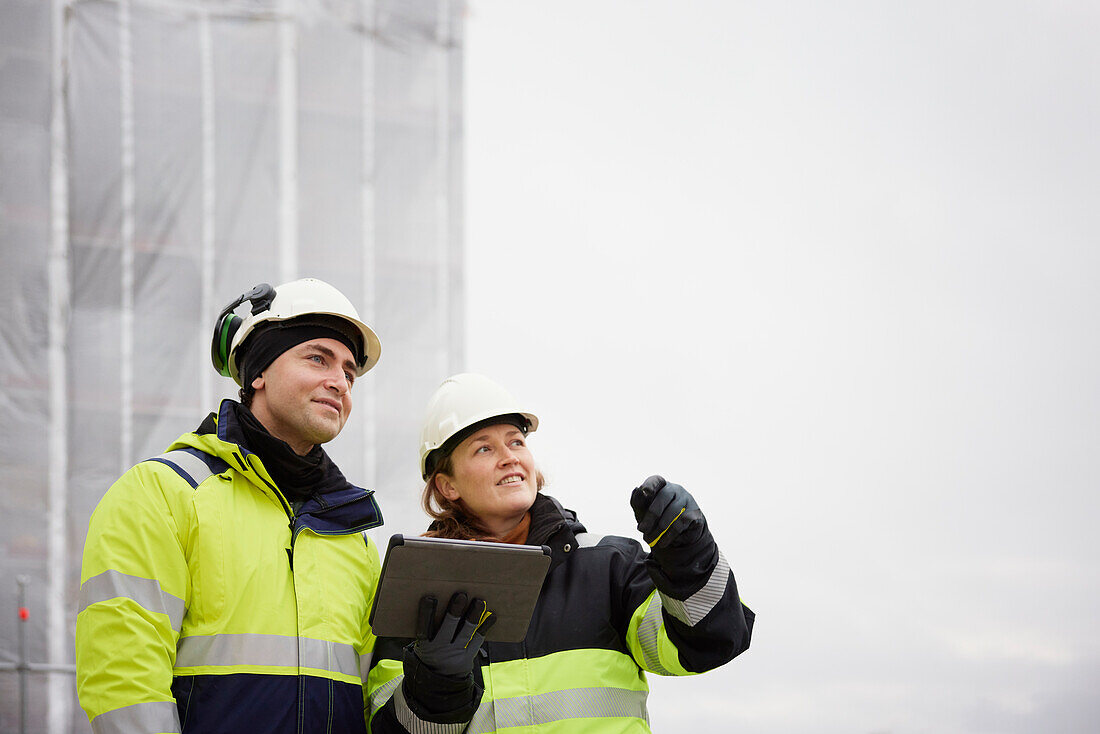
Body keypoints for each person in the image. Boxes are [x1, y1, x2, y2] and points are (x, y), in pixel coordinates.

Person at [76, 278, 386, 734]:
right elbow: (124, 682)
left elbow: (371, 695)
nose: (338, 381)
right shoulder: (162, 492)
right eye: (318, 358)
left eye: (348, 372)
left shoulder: (352, 535)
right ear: (257, 372)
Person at [366, 373, 754, 733]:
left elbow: (707, 645)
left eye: (516, 441)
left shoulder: (608, 565)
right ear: (447, 485)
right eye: (484, 448)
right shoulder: (415, 586)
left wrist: (688, 555)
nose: (509, 456)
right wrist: (434, 687)